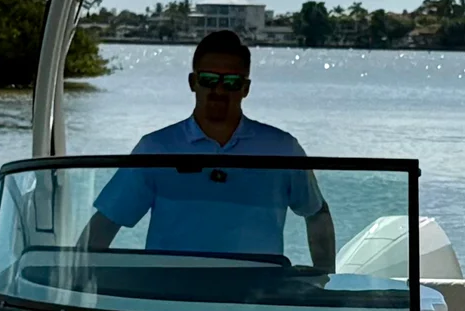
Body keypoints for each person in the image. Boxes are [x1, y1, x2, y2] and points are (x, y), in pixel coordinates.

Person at [85, 30, 335, 268]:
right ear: (193, 82)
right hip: (168, 298)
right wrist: (75, 282)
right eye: (209, 79)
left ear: (246, 88)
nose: (219, 90)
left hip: (257, 298)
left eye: (232, 82)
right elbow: (105, 223)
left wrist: (324, 279)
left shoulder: (282, 149)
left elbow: (316, 213)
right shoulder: (156, 148)